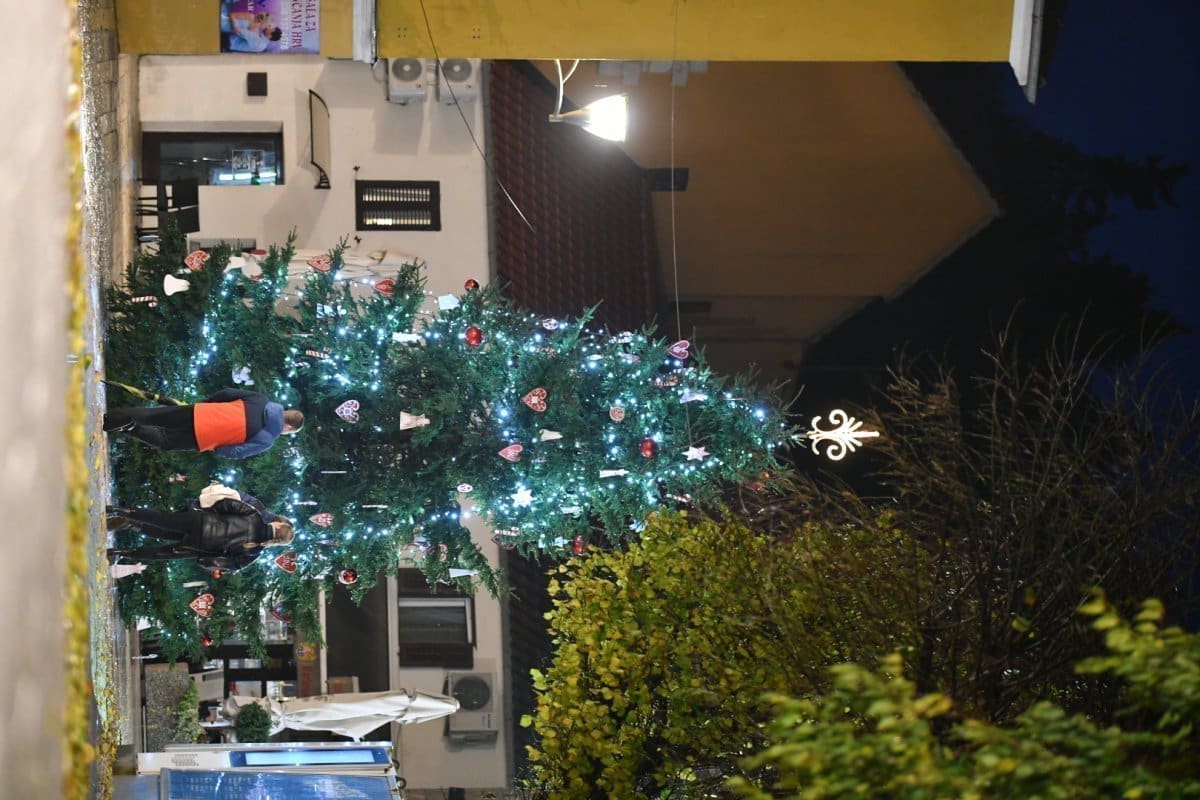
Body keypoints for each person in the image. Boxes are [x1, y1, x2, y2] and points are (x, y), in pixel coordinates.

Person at [107, 491, 293, 573]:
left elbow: (228, 504)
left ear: (277, 524)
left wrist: (212, 515)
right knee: (161, 553)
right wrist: (211, 560)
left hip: (201, 521)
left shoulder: (254, 515)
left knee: (161, 519)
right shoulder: (254, 551)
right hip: (201, 545)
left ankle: (120, 510)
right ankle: (119, 552)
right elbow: (231, 564)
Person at [105, 388, 304, 459]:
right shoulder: (267, 440)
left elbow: (227, 393)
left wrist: (207, 405)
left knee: (152, 415)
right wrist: (218, 449)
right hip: (204, 437)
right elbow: (237, 452)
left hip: (201, 412)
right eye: (289, 432)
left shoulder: (260, 399)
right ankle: (128, 427)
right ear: (288, 427)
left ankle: (112, 417)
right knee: (165, 441)